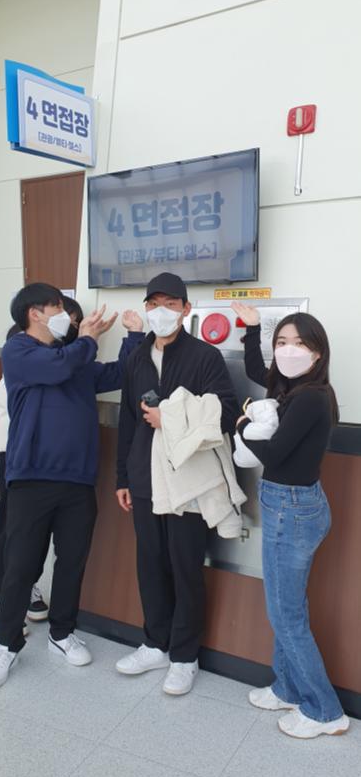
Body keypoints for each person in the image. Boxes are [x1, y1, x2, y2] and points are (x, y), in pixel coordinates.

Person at [0, 282, 144, 688]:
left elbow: (119, 374)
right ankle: (6, 645)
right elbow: (57, 368)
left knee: (72, 561)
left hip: (77, 480)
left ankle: (61, 633)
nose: (64, 317)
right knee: (21, 565)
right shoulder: (18, 351)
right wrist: (88, 338)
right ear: (34, 313)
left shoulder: (74, 358)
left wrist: (134, 336)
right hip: (31, 478)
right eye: (56, 307)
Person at [115, 273, 239, 696]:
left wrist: (168, 416)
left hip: (187, 480)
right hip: (145, 478)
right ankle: (155, 643)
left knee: (185, 567)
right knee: (150, 564)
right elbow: (127, 420)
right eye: (153, 304)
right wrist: (123, 477)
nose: (161, 312)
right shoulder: (137, 357)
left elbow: (224, 413)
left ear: (186, 309)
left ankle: (185, 656)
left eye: (170, 304)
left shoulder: (205, 356)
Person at [232, 301, 349, 739]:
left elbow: (277, 455)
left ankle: (325, 711)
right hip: (292, 505)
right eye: (281, 342)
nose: (287, 350)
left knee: (285, 614)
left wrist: (241, 427)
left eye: (298, 343)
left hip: (292, 510)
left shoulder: (311, 398)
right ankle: (287, 687)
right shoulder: (293, 388)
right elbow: (256, 369)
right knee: (285, 607)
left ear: (317, 352)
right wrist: (252, 329)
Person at [0, 297, 84, 633]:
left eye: (74, 321)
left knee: (34, 531)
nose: (69, 325)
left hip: (41, 457)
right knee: (12, 527)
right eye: (66, 317)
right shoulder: (21, 344)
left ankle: (27, 587)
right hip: (13, 449)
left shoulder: (59, 350)